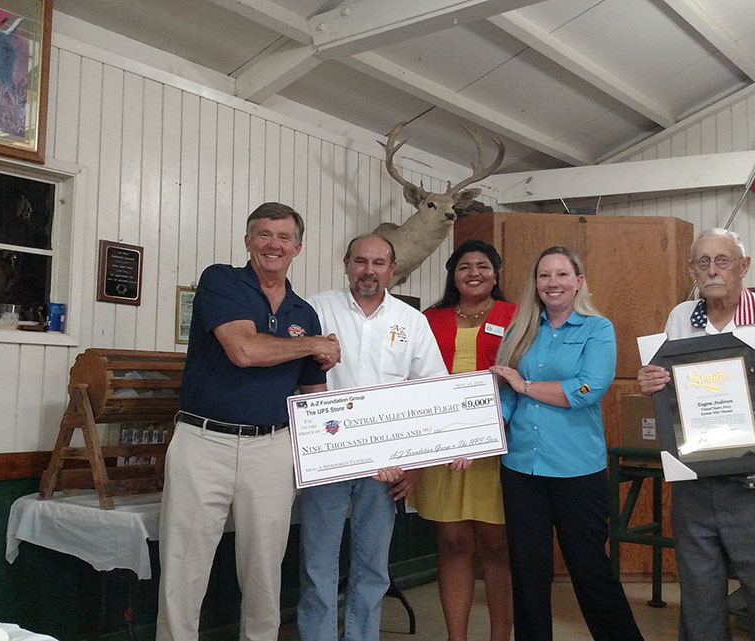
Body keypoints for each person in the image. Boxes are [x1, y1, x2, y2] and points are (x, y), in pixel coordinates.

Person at [156, 202, 341, 641]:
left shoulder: (303, 313)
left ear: (297, 248)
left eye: (283, 237)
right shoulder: (221, 280)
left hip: (273, 447)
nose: (273, 244)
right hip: (204, 441)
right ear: (248, 242)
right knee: (184, 566)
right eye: (264, 234)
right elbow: (244, 350)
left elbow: (313, 395)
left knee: (264, 571)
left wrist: (348, 451)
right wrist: (314, 344)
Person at [637, 228, 755, 641]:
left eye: (722, 260)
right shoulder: (680, 317)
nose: (712, 270)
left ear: (744, 266)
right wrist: (652, 382)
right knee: (699, 601)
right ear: (692, 270)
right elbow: (674, 396)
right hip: (695, 480)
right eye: (703, 262)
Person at [297, 234, 449, 641]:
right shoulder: (315, 310)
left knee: (373, 567)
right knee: (317, 564)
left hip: (386, 465)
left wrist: (415, 464)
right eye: (361, 261)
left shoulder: (411, 321)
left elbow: (431, 391)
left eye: (378, 263)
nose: (369, 270)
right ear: (346, 263)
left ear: (391, 269)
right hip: (326, 456)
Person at [490, 245, 643, 641]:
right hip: (521, 468)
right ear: (535, 283)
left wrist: (525, 386)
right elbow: (507, 394)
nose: (552, 282)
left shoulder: (598, 329)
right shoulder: (520, 329)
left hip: (578, 471)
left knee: (590, 570)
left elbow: (587, 390)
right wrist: (484, 432)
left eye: (561, 274)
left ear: (578, 282)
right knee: (528, 573)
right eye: (544, 275)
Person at [409, 239, 517, 641]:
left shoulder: (516, 315)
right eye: (464, 266)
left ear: (496, 273)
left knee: (495, 542)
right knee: (452, 540)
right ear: (453, 275)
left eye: (483, 266)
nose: (474, 273)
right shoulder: (429, 318)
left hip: (497, 441)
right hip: (442, 443)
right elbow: (413, 374)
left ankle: (499, 637)